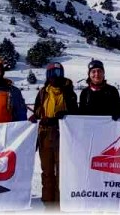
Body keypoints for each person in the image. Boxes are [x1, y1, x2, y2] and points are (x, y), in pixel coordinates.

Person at [32, 61, 78, 206]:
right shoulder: (43, 92)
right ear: (47, 75)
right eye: (51, 73)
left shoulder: (69, 92)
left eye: (57, 73)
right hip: (45, 134)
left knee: (62, 171)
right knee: (47, 170)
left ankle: (61, 202)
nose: (54, 77)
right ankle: (48, 202)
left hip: (62, 134)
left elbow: (75, 113)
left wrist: (66, 113)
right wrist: (39, 116)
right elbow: (37, 110)